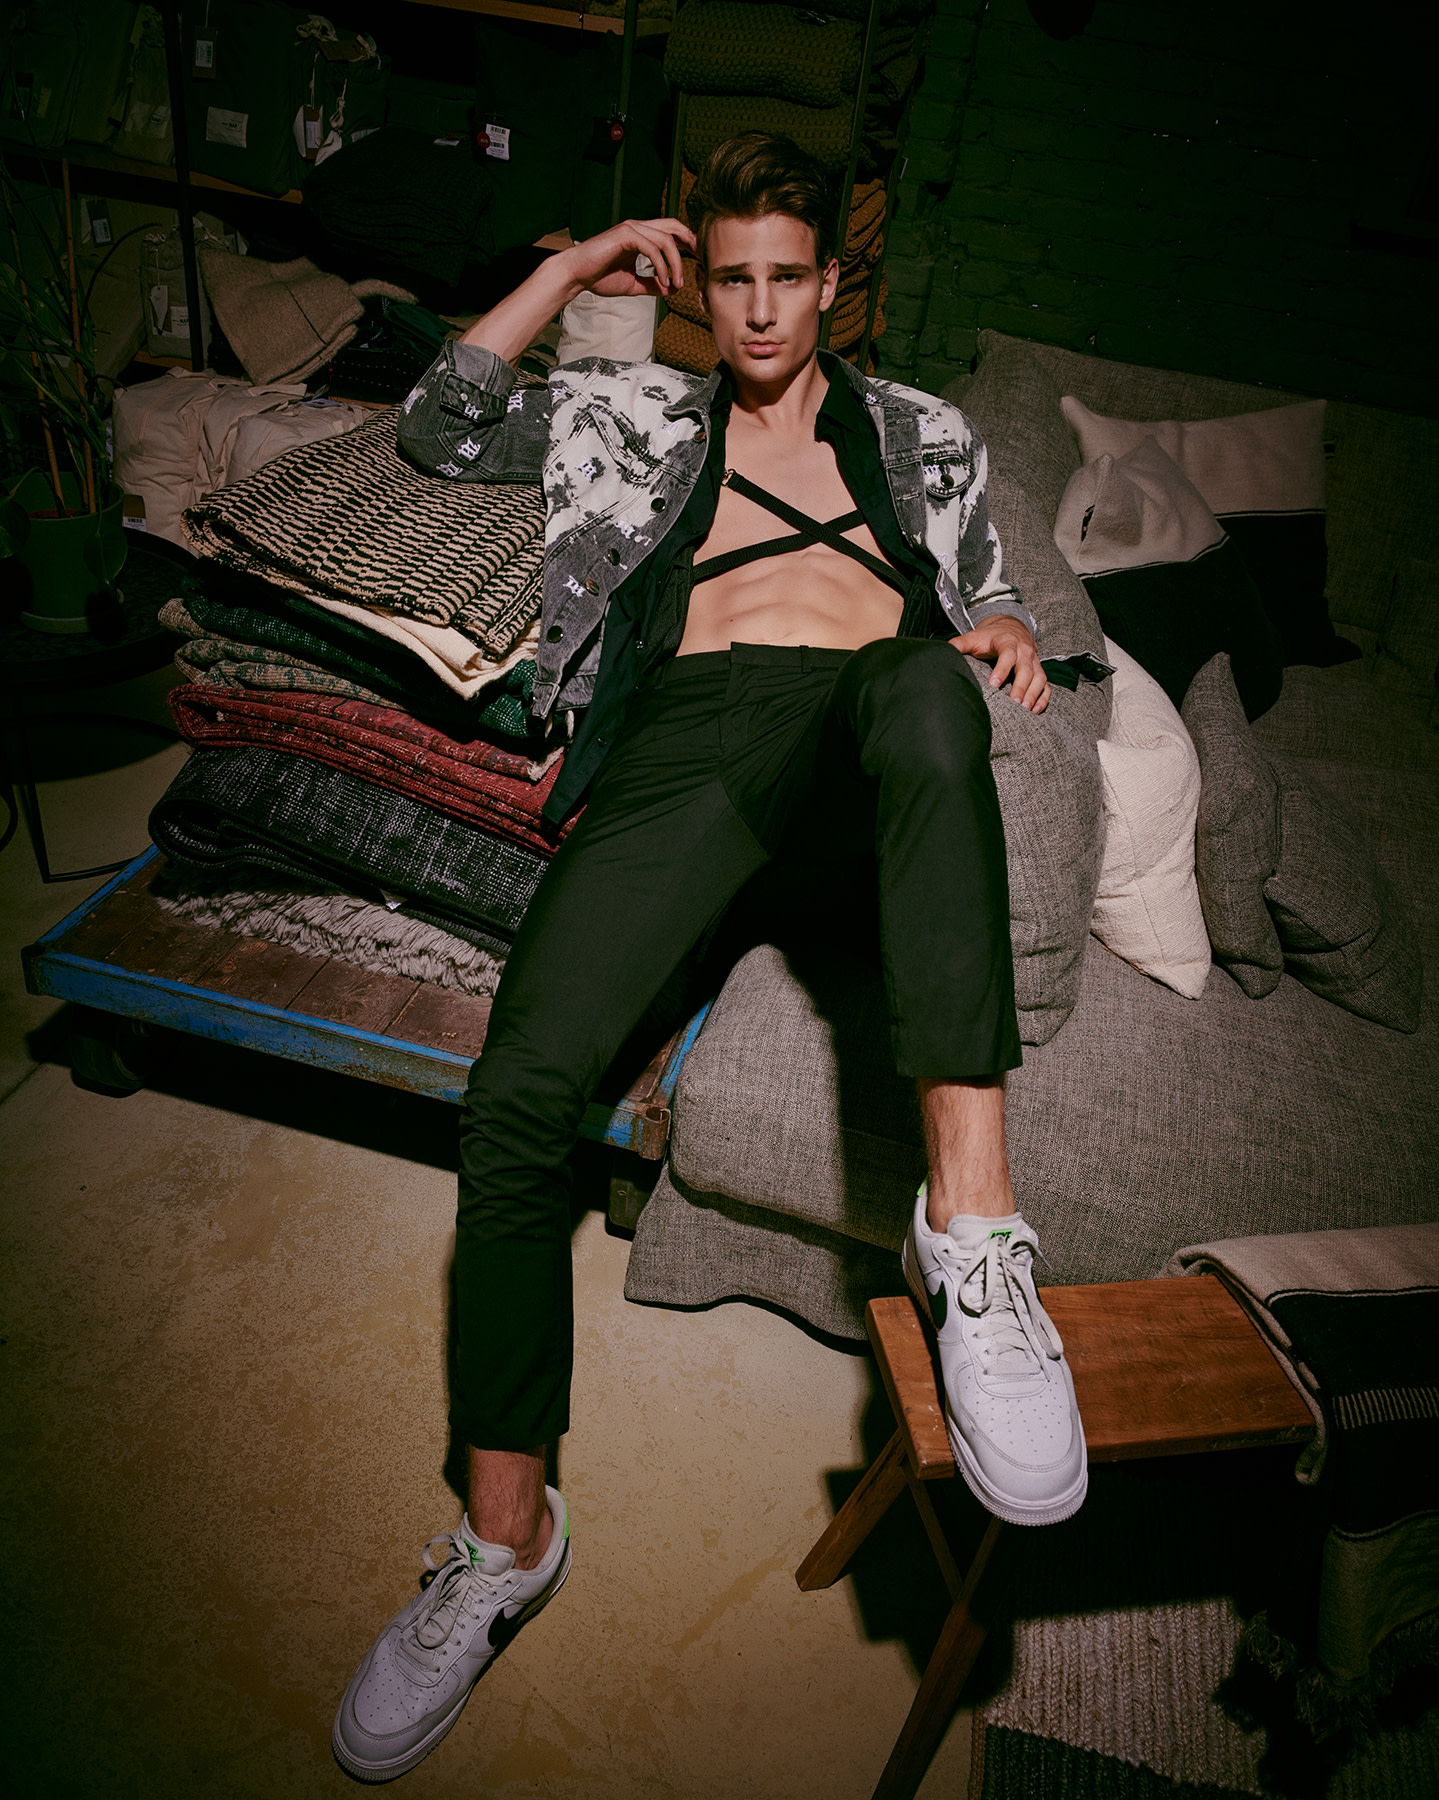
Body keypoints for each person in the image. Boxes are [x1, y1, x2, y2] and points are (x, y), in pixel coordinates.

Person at [332, 133, 1088, 1785]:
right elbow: (437, 425)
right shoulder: (631, 415)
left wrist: (1013, 623)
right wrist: (574, 266)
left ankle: (973, 1235)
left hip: (864, 739)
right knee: (514, 1103)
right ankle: (505, 1541)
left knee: (925, 687)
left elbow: (1001, 600)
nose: (754, 311)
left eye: (784, 278)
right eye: (729, 278)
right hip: (684, 746)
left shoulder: (925, 434)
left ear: (833, 284)